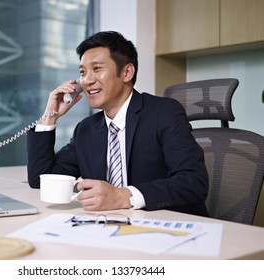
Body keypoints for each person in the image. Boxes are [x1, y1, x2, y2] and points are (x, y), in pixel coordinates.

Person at [27, 31, 209, 216]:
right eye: (83, 72)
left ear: (127, 72)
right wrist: (49, 117)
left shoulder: (163, 113)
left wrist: (123, 197)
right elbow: (41, 180)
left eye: (97, 69)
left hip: (166, 227)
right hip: (111, 227)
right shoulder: (87, 129)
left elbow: (194, 182)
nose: (87, 80)